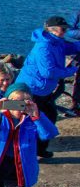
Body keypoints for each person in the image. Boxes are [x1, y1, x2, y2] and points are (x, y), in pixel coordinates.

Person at [16, 15, 79, 159]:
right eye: (63, 29)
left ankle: (39, 148)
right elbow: (48, 72)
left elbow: (70, 47)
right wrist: (72, 70)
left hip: (43, 90)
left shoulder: (56, 42)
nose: (65, 32)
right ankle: (27, 150)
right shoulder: (43, 47)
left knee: (48, 116)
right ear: (52, 30)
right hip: (31, 90)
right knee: (34, 119)